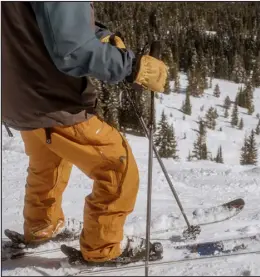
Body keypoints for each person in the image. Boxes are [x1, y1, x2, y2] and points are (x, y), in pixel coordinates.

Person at [2, 2, 167, 263]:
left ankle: (41, 227)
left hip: (17, 97)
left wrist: (98, 34)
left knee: (48, 162)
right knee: (116, 167)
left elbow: (41, 24)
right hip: (52, 99)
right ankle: (102, 249)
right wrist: (133, 67)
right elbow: (73, 51)